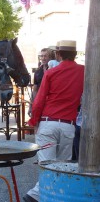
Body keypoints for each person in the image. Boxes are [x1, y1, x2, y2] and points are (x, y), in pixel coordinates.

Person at [23, 40, 84, 202]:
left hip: (48, 123)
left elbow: (40, 100)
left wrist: (34, 121)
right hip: (69, 126)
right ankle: (44, 196)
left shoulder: (51, 73)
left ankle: (34, 195)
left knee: (46, 165)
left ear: (57, 54)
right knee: (62, 168)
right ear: (75, 54)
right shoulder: (83, 72)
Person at [28, 48, 52, 117]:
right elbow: (35, 90)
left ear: (50, 57)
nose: (43, 58)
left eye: (45, 56)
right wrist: (31, 105)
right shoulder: (38, 72)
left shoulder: (54, 70)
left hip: (51, 102)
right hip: (40, 102)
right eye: (41, 56)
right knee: (37, 123)